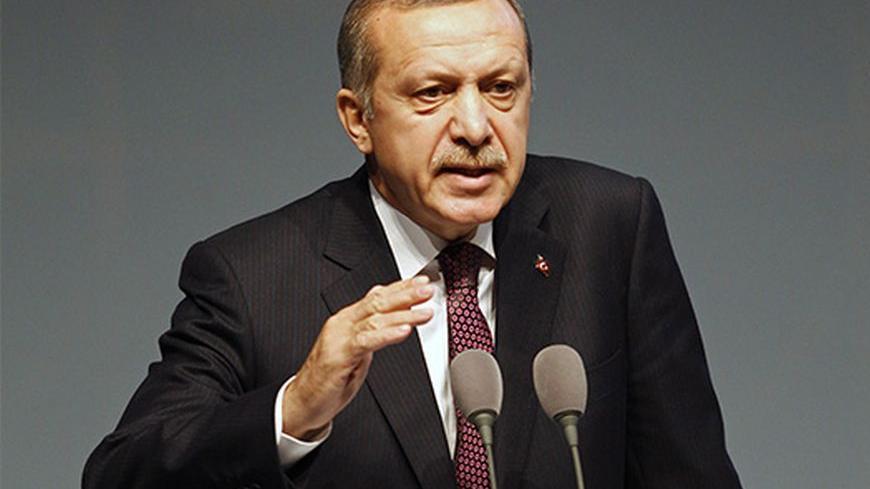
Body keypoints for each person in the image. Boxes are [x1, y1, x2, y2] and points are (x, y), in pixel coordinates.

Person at [83, 0, 743, 488]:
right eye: (434, 92)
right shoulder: (254, 276)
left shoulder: (608, 224)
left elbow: (691, 473)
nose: (477, 125)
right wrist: (298, 407)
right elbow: (120, 475)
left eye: (500, 87)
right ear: (358, 118)